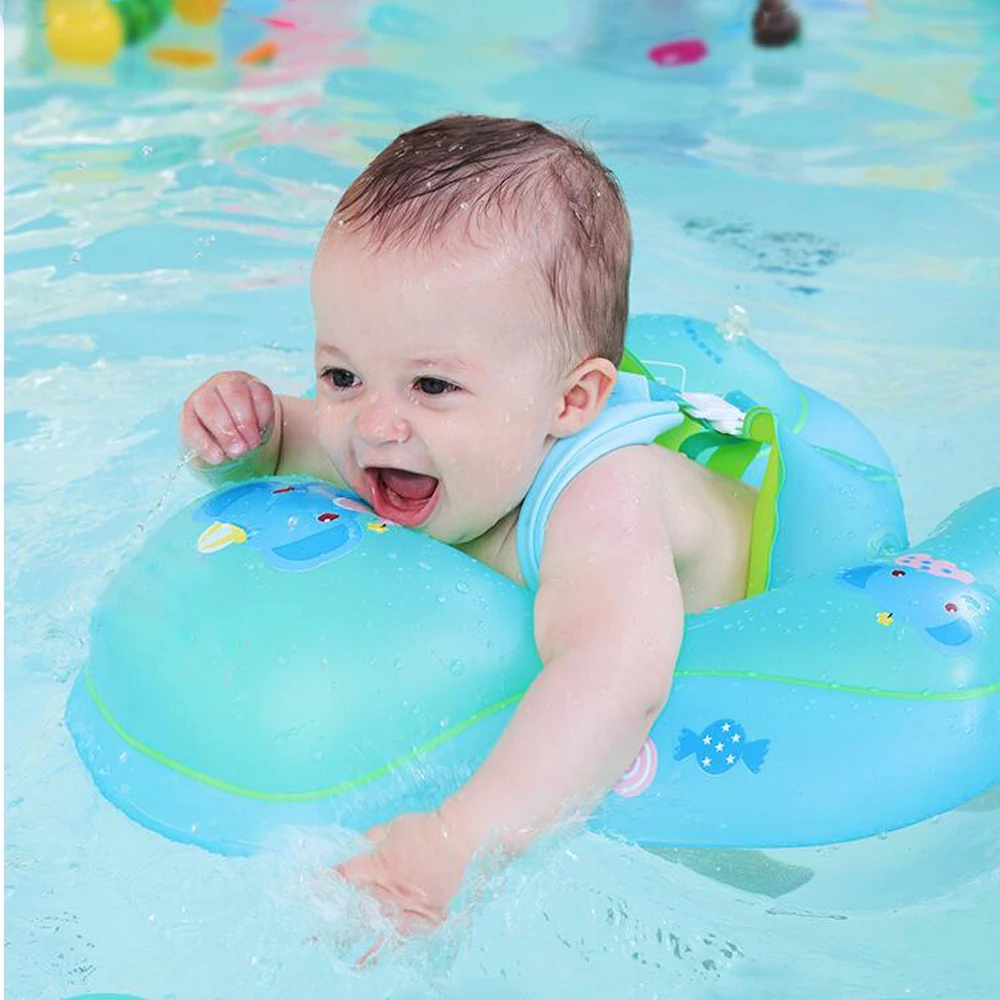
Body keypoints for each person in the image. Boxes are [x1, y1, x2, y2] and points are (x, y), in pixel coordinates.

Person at [180, 115, 756, 943]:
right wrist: (239, 433)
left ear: (568, 403)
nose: (374, 425)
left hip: (754, 596)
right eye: (342, 373)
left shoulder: (601, 499)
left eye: (433, 385)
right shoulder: (396, 435)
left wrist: (459, 837)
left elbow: (617, 673)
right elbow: (285, 444)